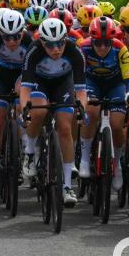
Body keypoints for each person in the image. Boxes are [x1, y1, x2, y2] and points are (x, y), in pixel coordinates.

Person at [19, 18, 88, 207]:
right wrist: (26, 110)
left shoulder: (75, 52)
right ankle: (30, 151)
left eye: (60, 43)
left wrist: (81, 108)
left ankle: (67, 186)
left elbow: (81, 90)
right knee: (38, 112)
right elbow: (25, 89)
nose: (56, 49)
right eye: (50, 45)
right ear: (42, 42)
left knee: (65, 127)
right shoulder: (33, 52)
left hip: (62, 83)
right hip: (39, 83)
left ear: (66, 39)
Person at [77, 17, 129, 191]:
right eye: (98, 43)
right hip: (91, 82)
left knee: (117, 124)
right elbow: (77, 75)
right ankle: (85, 158)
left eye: (106, 43)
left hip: (114, 85)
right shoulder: (83, 47)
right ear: (92, 40)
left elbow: (128, 77)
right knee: (91, 111)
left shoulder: (120, 48)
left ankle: (116, 165)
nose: (102, 47)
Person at [0, 8, 30, 198]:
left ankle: (25, 140)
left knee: (21, 104)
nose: (11, 42)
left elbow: (31, 73)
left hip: (20, 76)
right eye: (7, 37)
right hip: (0, 78)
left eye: (16, 37)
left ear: (23, 33)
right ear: (0, 33)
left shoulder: (29, 43)